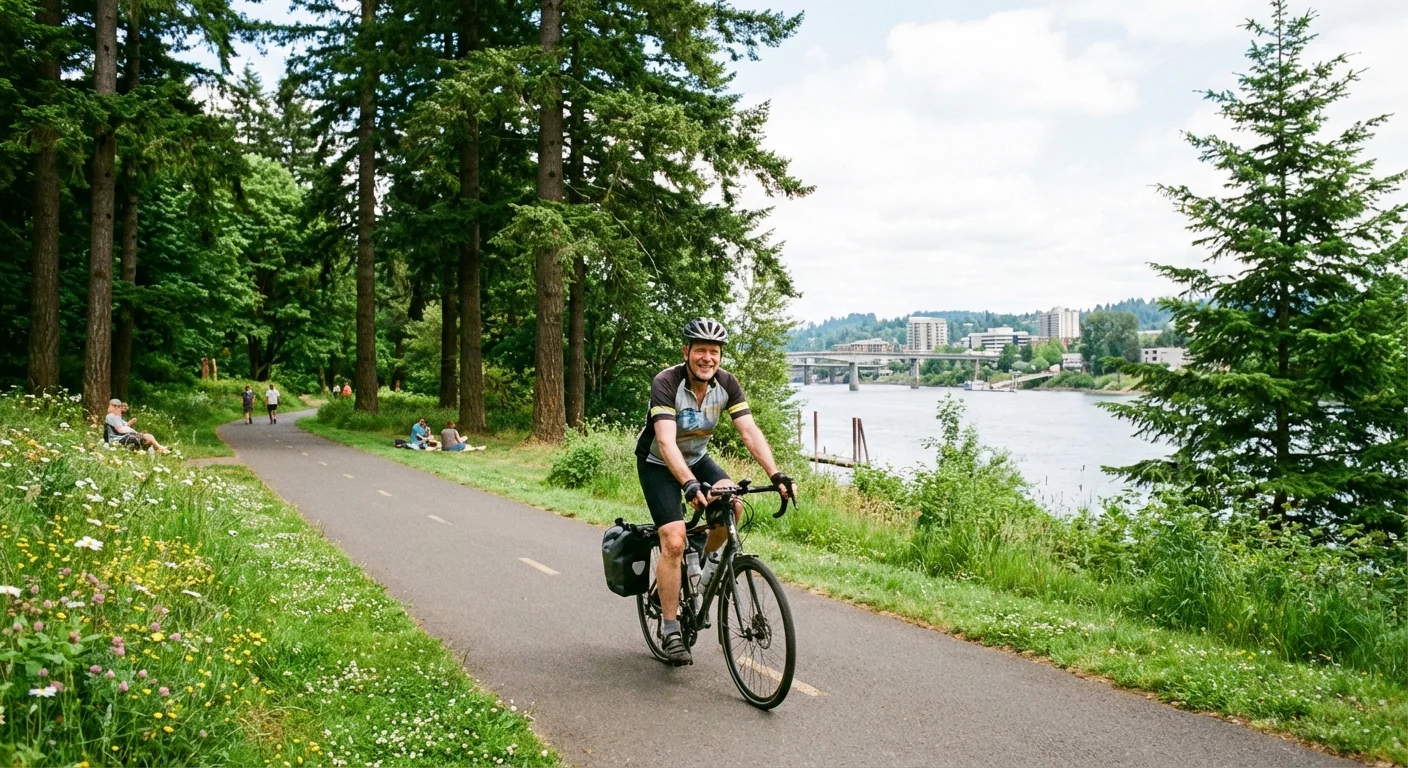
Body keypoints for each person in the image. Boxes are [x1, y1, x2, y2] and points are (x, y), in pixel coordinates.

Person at [636, 317, 796, 666]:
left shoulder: (726, 384)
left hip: (698, 459)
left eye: (714, 351)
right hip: (658, 464)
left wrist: (777, 473)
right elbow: (665, 441)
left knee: (733, 504)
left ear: (720, 356)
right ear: (687, 352)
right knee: (674, 539)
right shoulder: (666, 382)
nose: (707, 357)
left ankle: (703, 565)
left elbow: (749, 432)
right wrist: (688, 484)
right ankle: (670, 628)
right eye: (701, 351)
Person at [103, 399, 170, 454]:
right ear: (113, 407)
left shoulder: (116, 417)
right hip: (117, 440)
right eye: (117, 407)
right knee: (147, 437)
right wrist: (134, 431)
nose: (120, 409)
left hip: (123, 437)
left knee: (147, 437)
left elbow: (125, 426)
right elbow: (120, 429)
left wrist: (130, 422)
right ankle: (160, 448)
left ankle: (158, 448)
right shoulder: (111, 416)